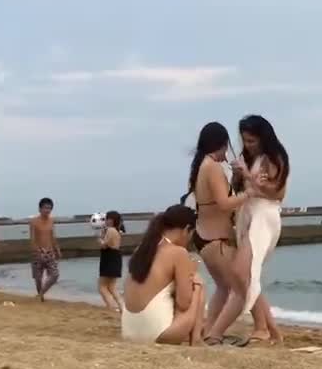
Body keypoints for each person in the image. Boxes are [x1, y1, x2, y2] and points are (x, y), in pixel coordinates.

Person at [205, 115, 288, 346]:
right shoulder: (247, 158)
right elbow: (243, 189)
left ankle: (219, 333)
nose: (248, 145)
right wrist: (239, 176)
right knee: (243, 274)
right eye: (245, 141)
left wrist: (249, 175)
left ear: (263, 137)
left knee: (242, 272)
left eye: (252, 141)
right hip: (247, 215)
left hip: (264, 217)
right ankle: (269, 329)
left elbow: (277, 193)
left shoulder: (274, 158)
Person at [184, 122, 250, 334]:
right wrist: (249, 194)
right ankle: (214, 333)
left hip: (204, 238)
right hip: (217, 239)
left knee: (224, 288)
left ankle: (208, 330)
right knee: (240, 290)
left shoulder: (202, 166)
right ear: (221, 144)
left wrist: (236, 178)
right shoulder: (211, 167)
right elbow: (223, 203)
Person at [120, 205, 206, 345]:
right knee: (198, 283)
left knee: (173, 288)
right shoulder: (178, 252)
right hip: (158, 334)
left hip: (129, 330)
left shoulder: (142, 249)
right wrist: (191, 275)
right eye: (192, 234)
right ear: (186, 230)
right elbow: (184, 304)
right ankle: (196, 339)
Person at [29, 197, 61, 301]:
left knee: (55, 275)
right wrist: (36, 250)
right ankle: (40, 297)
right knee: (38, 278)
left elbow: (53, 236)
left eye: (49, 208)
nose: (47, 210)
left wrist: (57, 249)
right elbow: (32, 238)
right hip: (38, 252)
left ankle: (41, 294)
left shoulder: (51, 221)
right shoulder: (34, 221)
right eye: (45, 208)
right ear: (40, 209)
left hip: (50, 252)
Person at [97, 211, 124, 312]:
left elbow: (104, 245)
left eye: (108, 219)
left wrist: (99, 239)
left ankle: (111, 307)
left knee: (102, 287)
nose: (106, 221)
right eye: (106, 219)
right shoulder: (116, 230)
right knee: (112, 287)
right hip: (115, 258)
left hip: (109, 258)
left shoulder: (111, 230)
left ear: (113, 220)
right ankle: (121, 306)